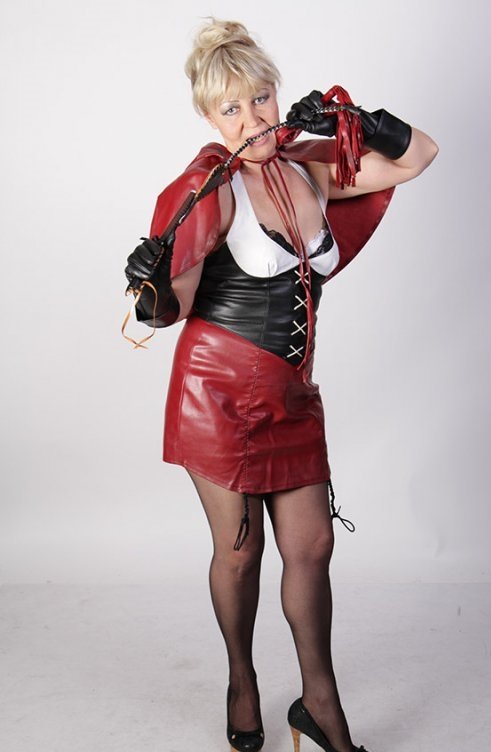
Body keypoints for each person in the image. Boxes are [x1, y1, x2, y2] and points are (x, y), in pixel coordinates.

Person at [124, 17, 438, 752]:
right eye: (231, 108)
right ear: (210, 118)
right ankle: (242, 681)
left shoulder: (309, 170)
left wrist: (352, 120)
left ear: (277, 93)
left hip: (291, 395)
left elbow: (418, 155)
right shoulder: (214, 191)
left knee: (313, 545)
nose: (252, 118)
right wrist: (148, 284)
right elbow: (167, 310)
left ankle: (318, 704)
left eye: (260, 98)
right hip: (217, 393)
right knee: (240, 552)